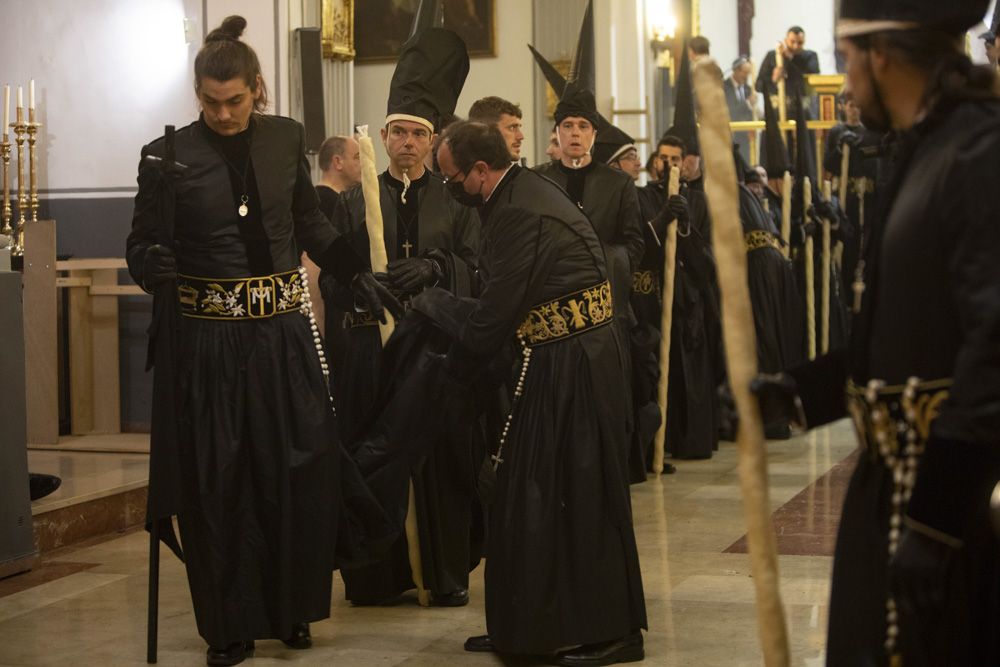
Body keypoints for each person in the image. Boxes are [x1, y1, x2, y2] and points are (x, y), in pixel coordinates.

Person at [125, 16, 400, 666]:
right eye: (210, 102)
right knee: (219, 479)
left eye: (236, 101)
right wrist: (150, 264)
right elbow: (139, 244)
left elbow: (307, 221)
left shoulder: (284, 139)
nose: (223, 114)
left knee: (298, 467)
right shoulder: (165, 157)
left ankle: (291, 608)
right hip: (210, 345)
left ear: (258, 89)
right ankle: (228, 623)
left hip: (282, 336)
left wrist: (353, 274)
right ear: (197, 93)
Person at [757, 0, 1000, 662]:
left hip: (939, 501)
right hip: (886, 489)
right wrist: (800, 391)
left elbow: (993, 344)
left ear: (881, 55)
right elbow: (905, 333)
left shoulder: (977, 149)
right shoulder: (921, 147)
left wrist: (939, 517)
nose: (846, 80)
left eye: (845, 59)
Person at [433, 120, 647, 665]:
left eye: (452, 178)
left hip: (576, 361)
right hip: (558, 355)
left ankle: (617, 634)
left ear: (481, 171)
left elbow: (489, 322)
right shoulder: (516, 195)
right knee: (528, 493)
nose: (449, 188)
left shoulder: (518, 209)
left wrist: (429, 308)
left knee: (583, 492)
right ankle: (523, 623)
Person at [322, 26, 481, 609]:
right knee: (373, 452)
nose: (407, 143)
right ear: (382, 138)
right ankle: (378, 574)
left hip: (438, 354)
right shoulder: (350, 201)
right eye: (398, 132)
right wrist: (358, 290)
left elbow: (478, 267)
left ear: (434, 139)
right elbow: (332, 277)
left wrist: (437, 270)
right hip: (371, 354)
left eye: (418, 133)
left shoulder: (457, 200)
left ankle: (444, 572)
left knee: (441, 461)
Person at [755, 26, 820, 112]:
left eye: (800, 43)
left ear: (804, 42)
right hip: (775, 109)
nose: (795, 46)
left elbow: (810, 79)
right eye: (792, 42)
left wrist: (790, 59)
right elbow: (758, 85)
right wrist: (773, 79)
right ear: (786, 40)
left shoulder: (810, 56)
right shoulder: (771, 56)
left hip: (801, 109)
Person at [468, 95, 525, 161]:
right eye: (511, 128)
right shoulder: (457, 169)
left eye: (519, 128)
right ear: (485, 131)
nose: (521, 137)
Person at [725, 57, 758, 162]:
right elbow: (729, 111)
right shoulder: (723, 87)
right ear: (736, 70)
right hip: (730, 134)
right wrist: (747, 104)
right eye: (745, 73)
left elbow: (749, 113)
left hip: (745, 136)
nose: (746, 76)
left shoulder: (748, 89)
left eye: (749, 73)